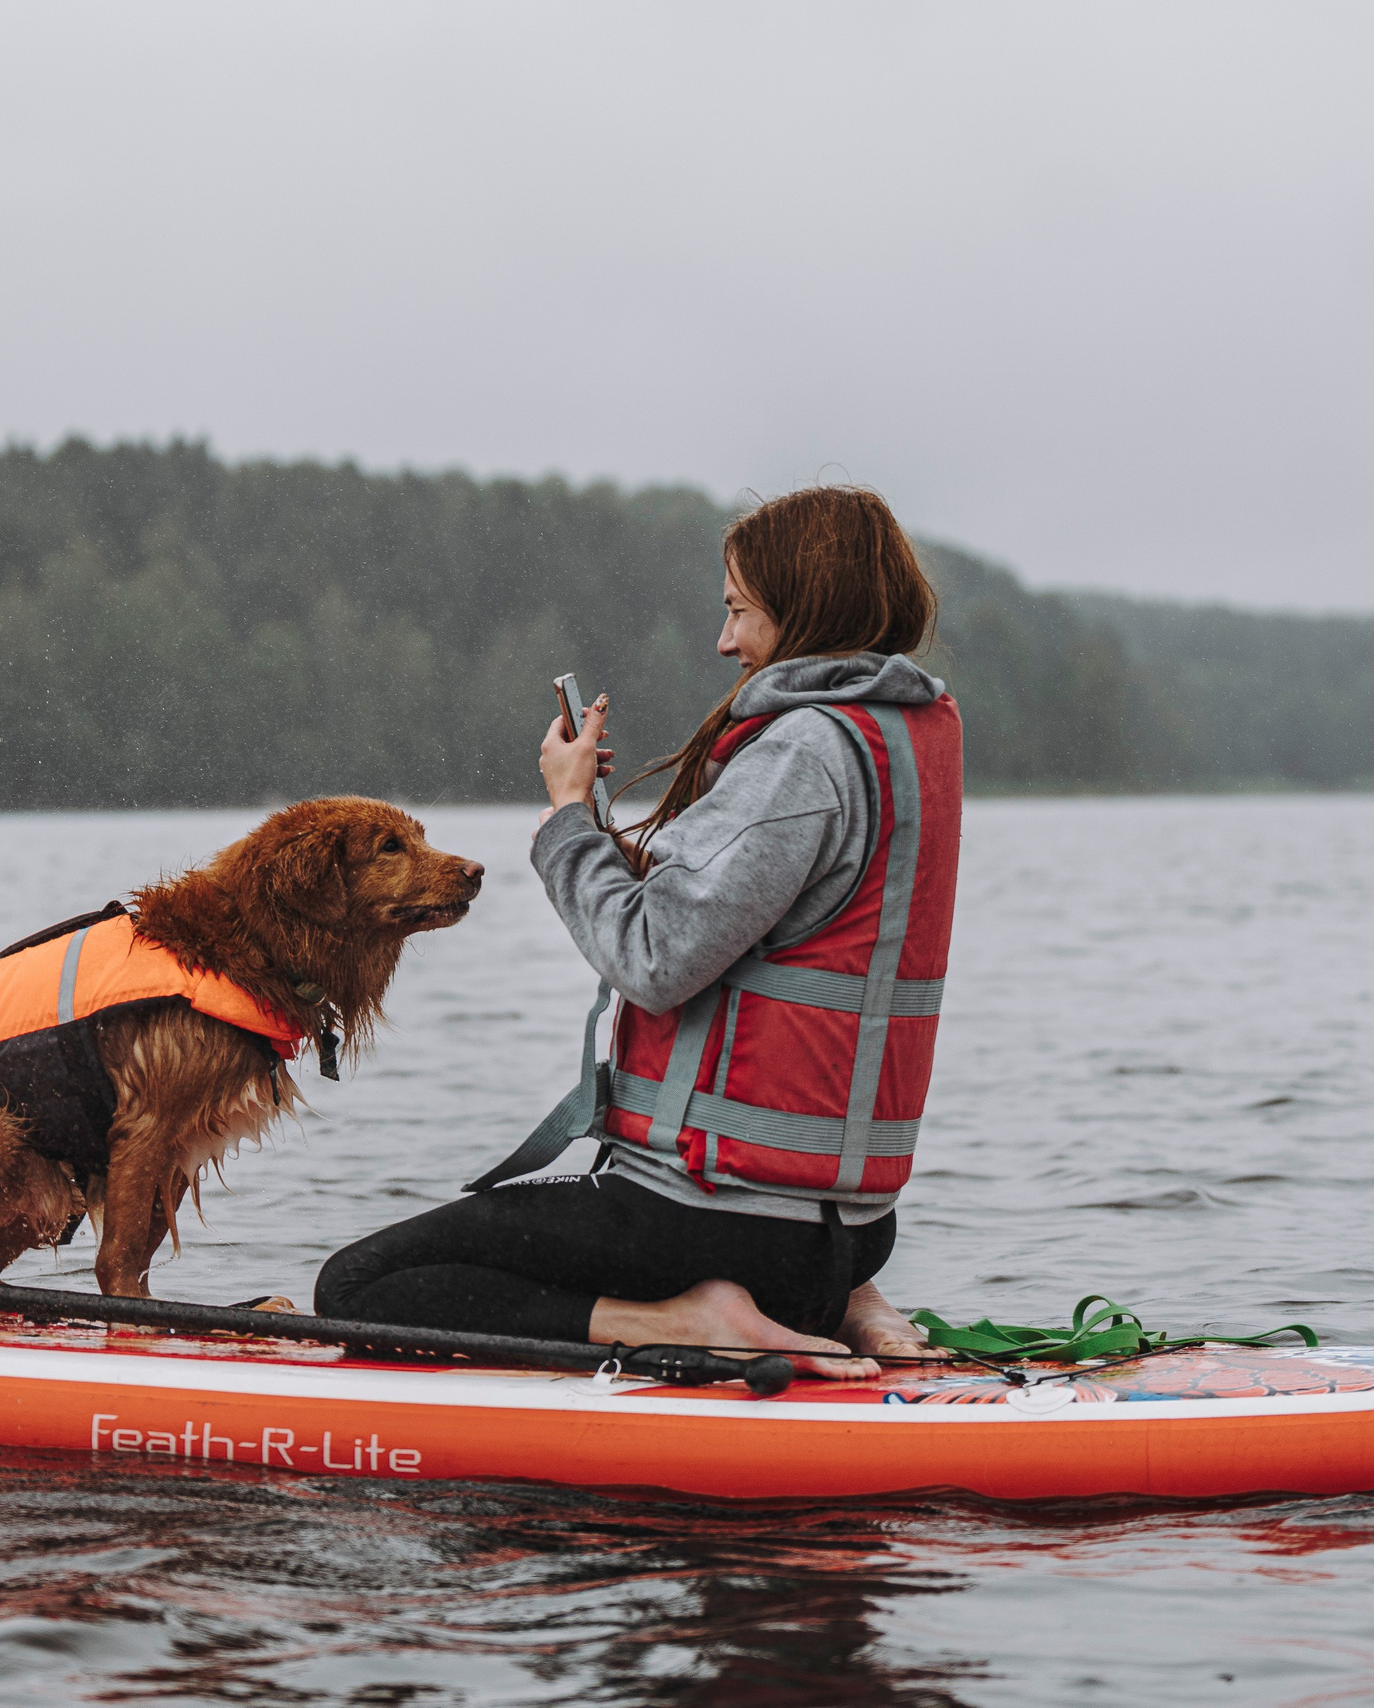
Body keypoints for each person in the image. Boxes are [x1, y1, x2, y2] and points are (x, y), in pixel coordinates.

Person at [315, 486, 962, 1376]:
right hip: (850, 1229)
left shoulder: (802, 752)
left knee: (361, 1287)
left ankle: (689, 1320)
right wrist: (607, 840)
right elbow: (768, 903)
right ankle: (844, 1300)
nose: (725, 640)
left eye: (739, 609)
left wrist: (566, 817)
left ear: (804, 607)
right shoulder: (905, 731)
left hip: (722, 1221)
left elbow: (652, 957)